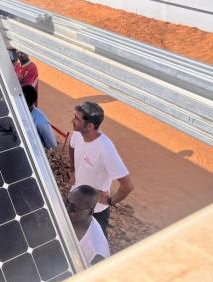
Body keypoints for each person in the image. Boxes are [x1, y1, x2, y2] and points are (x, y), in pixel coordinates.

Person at [69, 101, 134, 238]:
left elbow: (127, 185)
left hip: (95, 211)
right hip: (75, 201)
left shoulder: (106, 149)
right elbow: (71, 146)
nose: (72, 121)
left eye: (77, 119)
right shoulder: (78, 134)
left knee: (96, 248)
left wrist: (111, 201)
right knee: (71, 237)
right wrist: (73, 171)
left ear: (90, 126)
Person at [66, 185, 110, 266]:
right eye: (67, 202)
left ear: (90, 212)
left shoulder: (96, 253)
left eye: (74, 208)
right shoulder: (71, 218)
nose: (67, 209)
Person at [22, 85, 57, 150]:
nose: (19, 103)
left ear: (30, 103)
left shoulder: (41, 121)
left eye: (23, 102)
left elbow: (52, 144)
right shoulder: (18, 111)